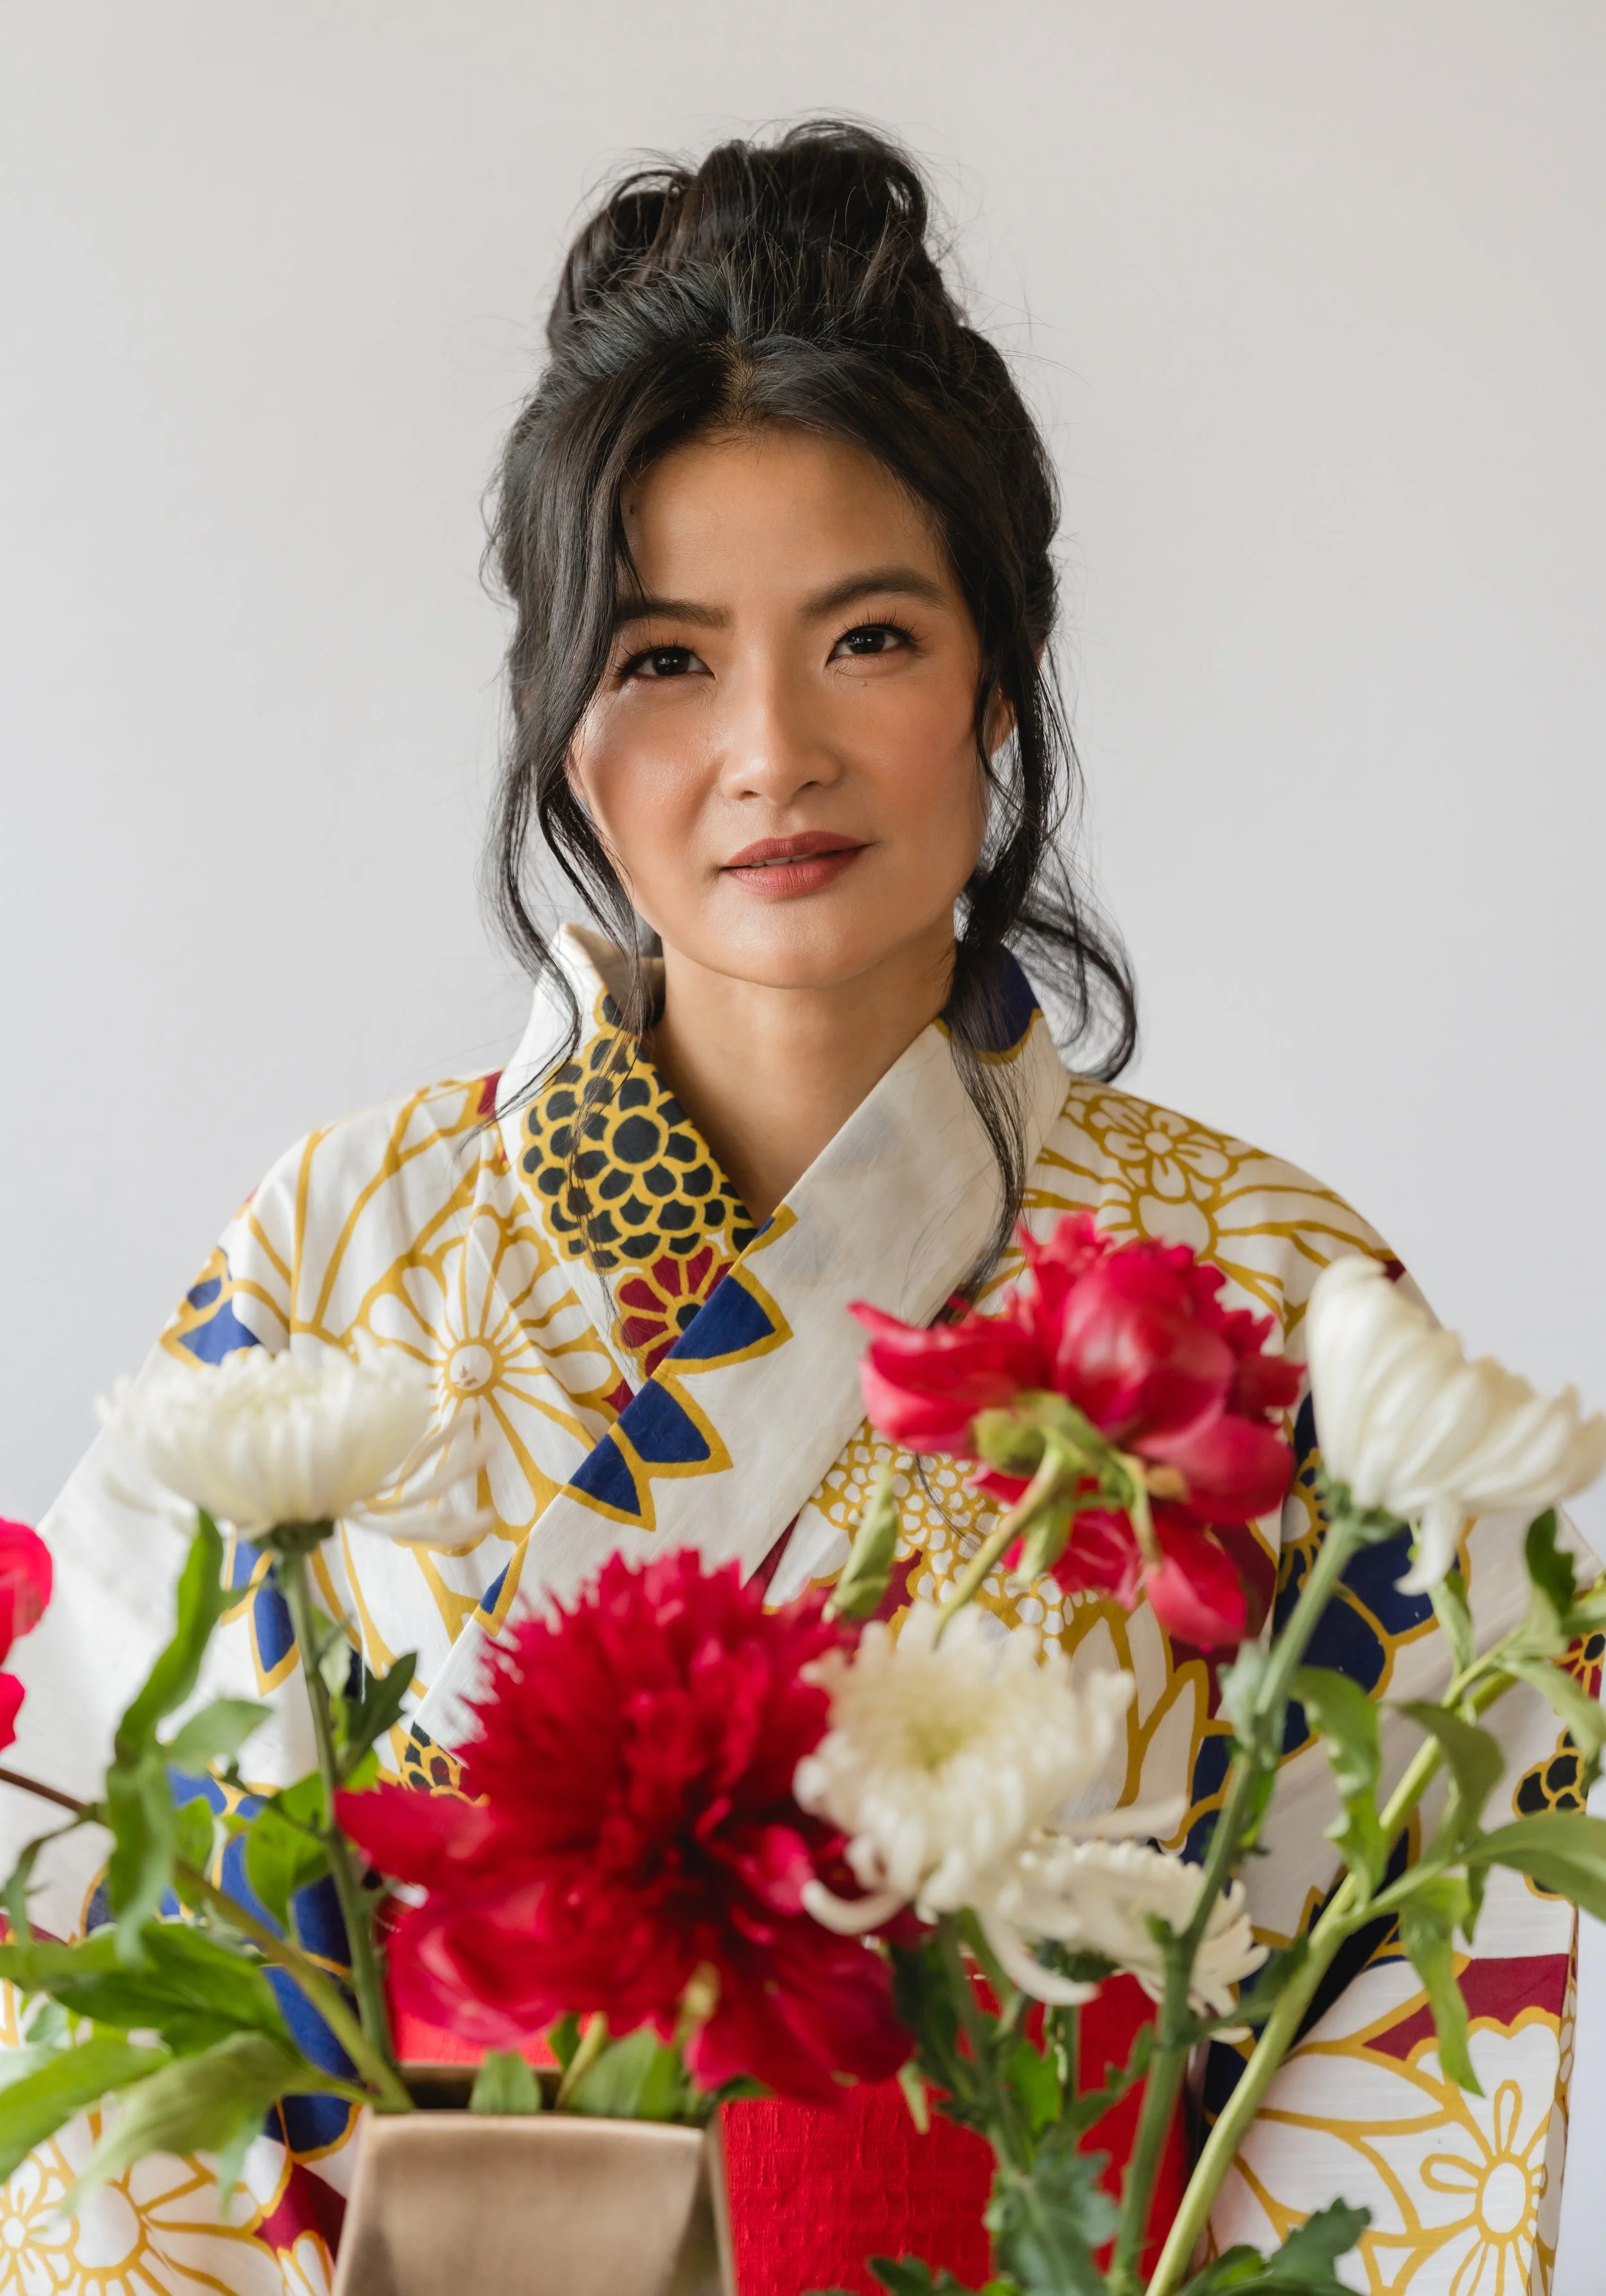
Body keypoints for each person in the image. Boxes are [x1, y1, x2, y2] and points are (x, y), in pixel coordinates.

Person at [1, 123, 1582, 2296]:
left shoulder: (1267, 1301)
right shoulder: (353, 1244)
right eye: (661, 659)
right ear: (565, 730)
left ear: (996, 683)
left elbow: (1420, 2006)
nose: (769, 750)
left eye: (864, 637)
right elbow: (89, 1912)